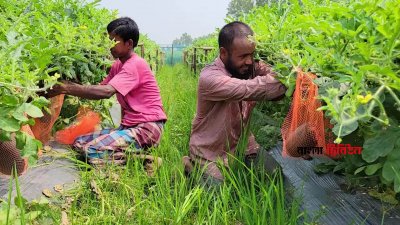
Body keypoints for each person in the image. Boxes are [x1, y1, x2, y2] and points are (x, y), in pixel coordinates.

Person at [45, 17, 167, 165]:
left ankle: (144, 161)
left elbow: (106, 92)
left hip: (147, 129)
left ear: (129, 44)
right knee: (79, 143)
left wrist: (65, 87)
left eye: (114, 41)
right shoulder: (118, 65)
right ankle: (130, 154)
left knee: (91, 149)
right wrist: (70, 83)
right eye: (109, 40)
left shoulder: (135, 64)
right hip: (129, 127)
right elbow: (99, 87)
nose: (110, 46)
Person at [183, 21, 287, 184]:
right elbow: (254, 88)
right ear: (224, 53)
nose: (249, 61)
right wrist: (291, 78)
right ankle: (191, 165)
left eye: (252, 55)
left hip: (243, 145)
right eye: (243, 56)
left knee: (275, 175)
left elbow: (275, 83)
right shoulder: (210, 78)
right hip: (211, 151)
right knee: (218, 199)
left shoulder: (247, 67)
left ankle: (238, 164)